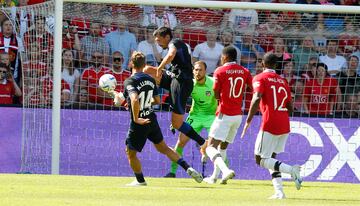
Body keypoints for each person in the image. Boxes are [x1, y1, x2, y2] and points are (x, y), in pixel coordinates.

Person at [116, 52, 203, 186]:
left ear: (131, 64)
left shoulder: (130, 81)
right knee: (164, 148)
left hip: (140, 123)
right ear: (144, 65)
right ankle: (188, 167)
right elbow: (156, 100)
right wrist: (132, 102)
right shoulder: (150, 79)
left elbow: (134, 99)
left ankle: (140, 181)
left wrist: (136, 117)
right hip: (152, 119)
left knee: (130, 153)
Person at [241, 52, 302, 199]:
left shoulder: (259, 78)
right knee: (272, 159)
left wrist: (248, 120)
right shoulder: (283, 81)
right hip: (284, 123)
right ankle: (279, 191)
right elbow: (291, 107)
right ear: (276, 65)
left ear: (262, 63)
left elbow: (256, 98)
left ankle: (292, 170)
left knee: (260, 159)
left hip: (270, 123)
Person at [144, 27, 207, 149]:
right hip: (174, 78)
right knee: (146, 69)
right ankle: (150, 96)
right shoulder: (173, 45)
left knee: (177, 123)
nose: (157, 43)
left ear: (167, 37)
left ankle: (203, 142)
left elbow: (171, 54)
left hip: (182, 83)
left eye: (159, 40)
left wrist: (159, 68)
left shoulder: (175, 43)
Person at [203, 46, 252, 185]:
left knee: (210, 147)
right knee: (222, 147)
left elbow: (216, 92)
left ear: (225, 57)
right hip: (238, 116)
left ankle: (225, 171)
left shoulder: (220, 70)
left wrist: (222, 98)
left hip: (224, 114)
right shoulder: (245, 71)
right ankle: (214, 177)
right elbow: (251, 88)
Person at [164, 61, 217, 178]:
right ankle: (172, 172)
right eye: (196, 70)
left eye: (200, 70)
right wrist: (175, 122)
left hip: (211, 116)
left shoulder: (213, 83)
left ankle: (222, 172)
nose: (198, 72)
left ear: (205, 71)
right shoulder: (190, 84)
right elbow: (179, 102)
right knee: (180, 142)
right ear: (193, 71)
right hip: (195, 116)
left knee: (215, 145)